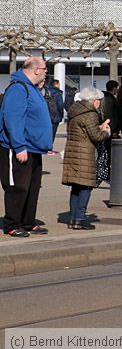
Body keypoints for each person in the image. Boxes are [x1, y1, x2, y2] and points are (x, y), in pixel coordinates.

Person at [0, 56, 54, 237]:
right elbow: (13, 119)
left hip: (34, 148)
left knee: (32, 187)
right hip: (19, 148)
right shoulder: (18, 88)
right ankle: (12, 224)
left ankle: (27, 221)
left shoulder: (33, 88)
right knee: (18, 187)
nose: (47, 73)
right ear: (36, 69)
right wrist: (19, 145)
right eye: (45, 69)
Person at [62, 87, 111, 230]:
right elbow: (95, 136)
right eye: (99, 101)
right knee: (86, 186)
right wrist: (106, 132)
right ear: (94, 101)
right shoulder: (90, 114)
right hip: (85, 153)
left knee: (76, 187)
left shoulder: (75, 110)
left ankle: (73, 218)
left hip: (73, 151)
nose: (100, 104)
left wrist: (99, 127)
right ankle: (80, 218)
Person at [46, 78, 64, 151]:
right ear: (56, 84)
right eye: (59, 84)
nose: (60, 85)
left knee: (47, 132)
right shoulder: (58, 93)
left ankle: (45, 146)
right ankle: (49, 147)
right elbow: (60, 105)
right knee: (52, 133)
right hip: (55, 117)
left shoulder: (46, 91)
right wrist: (61, 115)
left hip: (47, 116)